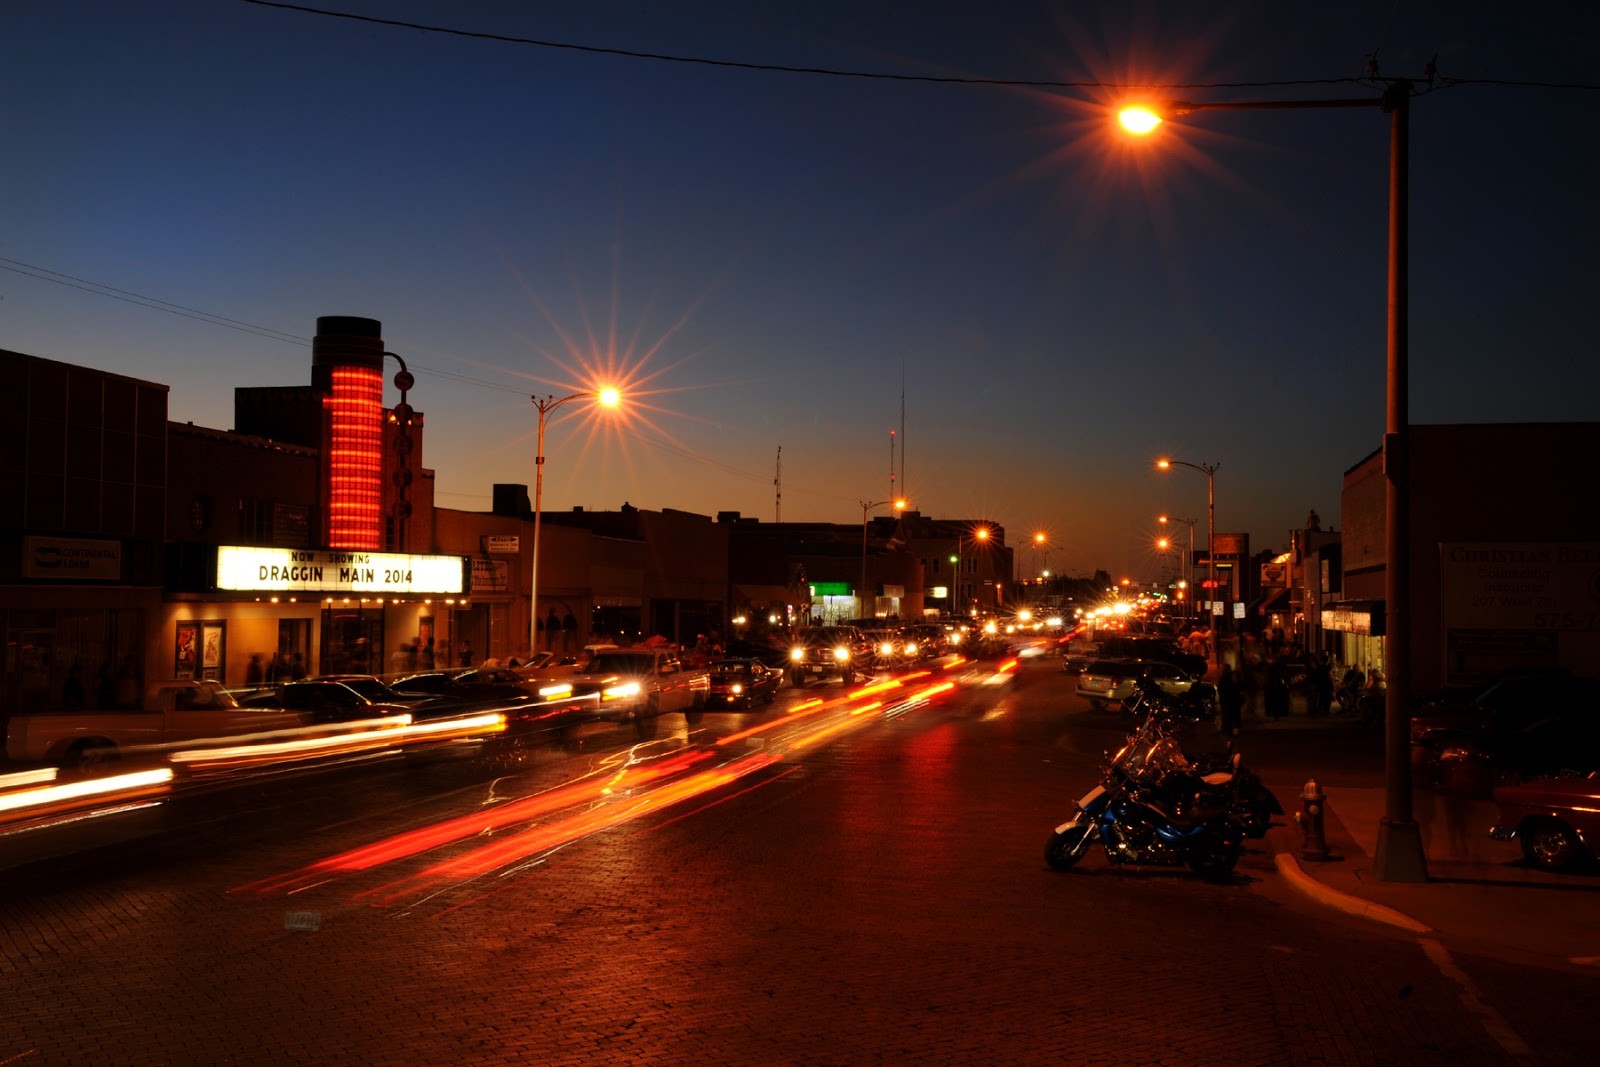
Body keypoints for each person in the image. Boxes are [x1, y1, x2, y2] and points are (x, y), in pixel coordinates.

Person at [1217, 663, 1243, 736]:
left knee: (1231, 715)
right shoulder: (1229, 678)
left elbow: (1228, 689)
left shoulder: (1227, 678)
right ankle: (1231, 729)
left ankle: (1232, 730)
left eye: (1221, 669)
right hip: (1230, 700)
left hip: (1229, 700)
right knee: (1232, 715)